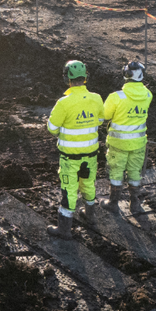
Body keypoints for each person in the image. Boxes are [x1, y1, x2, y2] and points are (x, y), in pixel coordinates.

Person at [46, 60, 104, 240]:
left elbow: (52, 128)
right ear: (86, 77)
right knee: (88, 184)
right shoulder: (96, 98)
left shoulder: (64, 102)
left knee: (69, 189)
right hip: (91, 154)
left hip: (70, 158)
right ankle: (91, 217)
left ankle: (64, 230)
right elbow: (100, 121)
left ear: (67, 78)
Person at [102, 60, 153, 212]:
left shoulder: (116, 97)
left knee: (116, 171)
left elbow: (105, 115)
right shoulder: (148, 95)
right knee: (135, 171)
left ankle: (113, 203)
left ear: (126, 75)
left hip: (118, 143)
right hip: (138, 143)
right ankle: (135, 203)